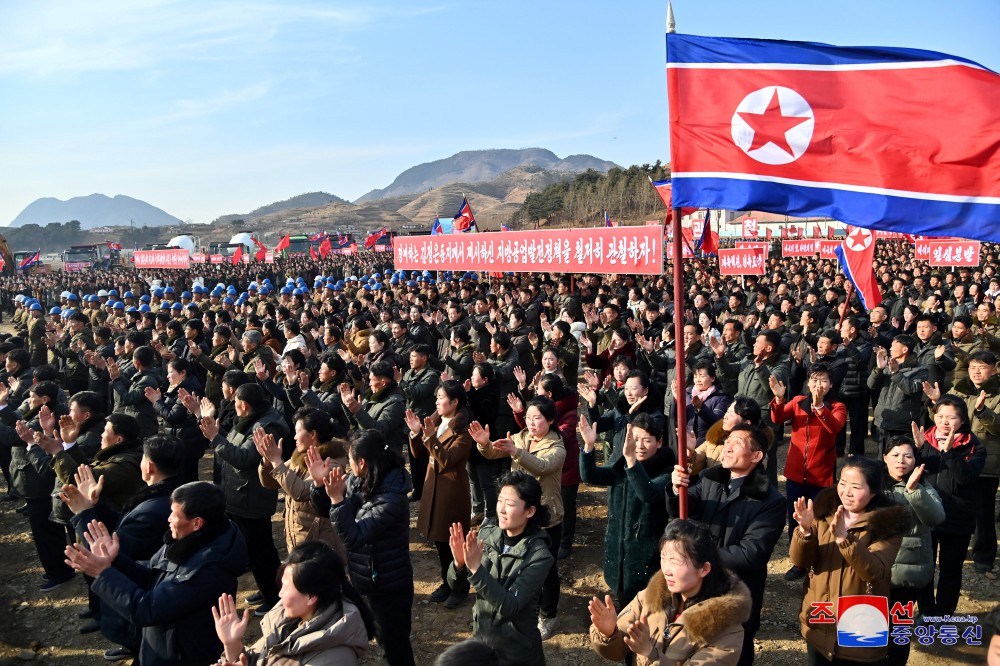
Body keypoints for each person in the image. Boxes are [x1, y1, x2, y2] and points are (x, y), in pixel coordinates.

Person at [64, 481, 250, 666]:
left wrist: (103, 574)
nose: (168, 519)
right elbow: (153, 575)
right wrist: (115, 561)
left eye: (174, 514)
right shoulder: (191, 539)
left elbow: (147, 609)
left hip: (181, 657)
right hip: (162, 645)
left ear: (196, 523)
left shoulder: (208, 570)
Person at [60, 435, 187, 662]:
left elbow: (107, 552)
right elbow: (123, 524)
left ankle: (136, 648)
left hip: (137, 588)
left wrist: (83, 514)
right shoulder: (165, 493)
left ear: (148, 466)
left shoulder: (152, 509)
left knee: (145, 649)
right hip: (146, 579)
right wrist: (95, 505)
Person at [667, 424, 784, 666]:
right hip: (700, 584)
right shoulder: (712, 477)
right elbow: (686, 509)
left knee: (733, 650)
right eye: (728, 440)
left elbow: (750, 554)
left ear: (756, 456)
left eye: (737, 442)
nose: (728, 446)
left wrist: (699, 557)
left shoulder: (770, 501)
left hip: (736, 589)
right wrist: (676, 488)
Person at [790, 457, 910, 665]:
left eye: (856, 486)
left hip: (859, 625)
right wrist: (805, 531)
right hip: (821, 616)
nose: (846, 492)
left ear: (873, 491)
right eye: (843, 484)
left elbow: (874, 571)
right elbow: (801, 560)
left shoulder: (888, 523)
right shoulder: (824, 512)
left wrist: (844, 539)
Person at [310, 429, 415, 666]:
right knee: (379, 635)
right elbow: (328, 509)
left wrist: (337, 500)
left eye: (350, 460)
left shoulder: (392, 496)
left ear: (363, 462)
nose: (348, 465)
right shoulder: (361, 479)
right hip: (364, 576)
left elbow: (356, 536)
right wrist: (319, 485)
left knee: (395, 646)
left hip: (388, 583)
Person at [588, 518, 752, 665]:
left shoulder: (726, 629)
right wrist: (610, 633)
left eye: (675, 561)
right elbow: (617, 651)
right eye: (663, 557)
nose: (666, 569)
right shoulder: (650, 598)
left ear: (704, 569)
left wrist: (649, 653)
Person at [470, 396, 566, 641]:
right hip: (518, 515)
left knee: (547, 568)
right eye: (528, 417)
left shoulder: (556, 447)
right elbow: (495, 452)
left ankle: (548, 614)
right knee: (517, 561)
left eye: (537, 418)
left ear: (551, 420)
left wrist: (517, 451)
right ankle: (518, 599)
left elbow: (542, 467)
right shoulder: (522, 436)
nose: (531, 423)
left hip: (546, 515)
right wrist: (484, 444)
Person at [446, 471, 555, 666]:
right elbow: (456, 586)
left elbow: (510, 606)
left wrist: (476, 569)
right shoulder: (487, 534)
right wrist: (459, 564)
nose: (502, 509)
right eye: (500, 501)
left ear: (530, 511)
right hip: (483, 641)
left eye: (510, 504)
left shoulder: (539, 556)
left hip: (516, 651)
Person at [201, 382, 290, 615]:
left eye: (237, 403)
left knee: (262, 552)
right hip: (239, 494)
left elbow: (243, 458)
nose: (234, 406)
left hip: (252, 498)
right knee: (254, 550)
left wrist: (215, 439)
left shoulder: (265, 426)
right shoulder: (249, 420)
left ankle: (274, 596)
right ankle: (267, 588)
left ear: (245, 405)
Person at [213, 542, 375, 665]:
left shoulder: (336, 658)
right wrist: (232, 644)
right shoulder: (284, 619)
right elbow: (257, 658)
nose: (280, 593)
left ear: (311, 596)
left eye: (286, 587)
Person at [579, 412, 675, 605]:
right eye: (636, 439)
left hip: (645, 555)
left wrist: (631, 461)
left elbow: (648, 493)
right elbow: (591, 476)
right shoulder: (622, 466)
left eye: (647, 440)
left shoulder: (666, 471)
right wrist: (589, 446)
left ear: (659, 442)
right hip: (618, 549)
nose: (639, 446)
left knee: (645, 605)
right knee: (623, 600)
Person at [769, 364, 847, 581]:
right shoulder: (797, 402)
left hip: (821, 473)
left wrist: (820, 406)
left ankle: (820, 558)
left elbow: (835, 427)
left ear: (831, 385)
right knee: (796, 518)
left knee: (821, 518)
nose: (818, 384)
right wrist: (778, 400)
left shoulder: (838, 406)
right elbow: (777, 418)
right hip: (795, 473)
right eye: (814, 379)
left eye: (823, 380)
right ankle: (799, 562)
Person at [912, 395, 987, 616]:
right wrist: (916, 450)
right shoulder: (923, 440)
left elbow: (965, 478)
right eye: (940, 415)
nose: (944, 421)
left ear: (962, 419)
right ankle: (926, 612)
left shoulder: (974, 446)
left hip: (957, 518)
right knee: (924, 567)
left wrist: (951, 452)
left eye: (951, 417)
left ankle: (943, 613)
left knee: (951, 570)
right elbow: (907, 474)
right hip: (926, 516)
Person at [405, 380, 474, 609]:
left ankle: (460, 588)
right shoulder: (437, 421)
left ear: (454, 402)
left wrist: (430, 437)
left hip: (451, 492)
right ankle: (447, 581)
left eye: (441, 397)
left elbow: (447, 461)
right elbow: (418, 455)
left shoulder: (463, 430)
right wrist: (416, 434)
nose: (437, 401)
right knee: (440, 541)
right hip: (433, 486)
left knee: (453, 541)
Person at [254, 407, 348, 563]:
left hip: (321, 547)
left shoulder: (331, 464)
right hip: (298, 541)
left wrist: (277, 461)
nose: (295, 436)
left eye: (298, 431)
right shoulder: (299, 457)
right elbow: (270, 482)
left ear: (313, 434)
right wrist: (267, 461)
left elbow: (302, 492)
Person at [881, 436, 945, 666]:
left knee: (899, 631)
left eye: (908, 456)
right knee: (871, 628)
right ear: (884, 457)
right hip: (875, 568)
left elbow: (936, 517)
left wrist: (912, 491)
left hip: (907, 574)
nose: (901, 461)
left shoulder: (923, 485)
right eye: (895, 455)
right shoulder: (872, 482)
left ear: (915, 460)